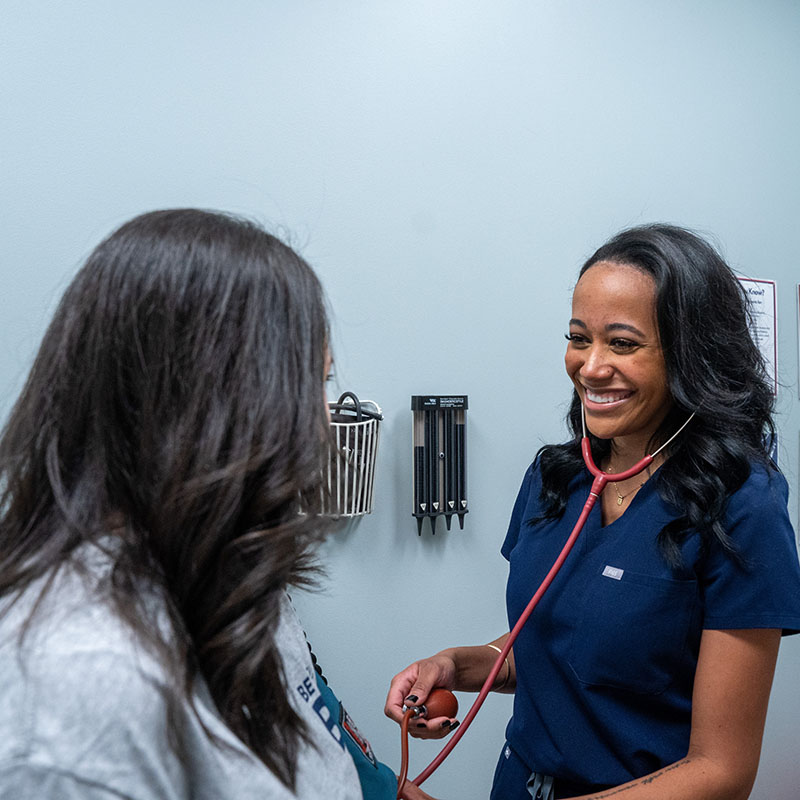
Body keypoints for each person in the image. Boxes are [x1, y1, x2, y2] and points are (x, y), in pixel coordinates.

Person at [0, 209, 430, 800]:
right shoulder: (81, 686)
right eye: (310, 388)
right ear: (213, 408)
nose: (323, 425)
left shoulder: (229, 572)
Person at [385, 224, 800, 799]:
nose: (591, 366)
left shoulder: (741, 505)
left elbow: (721, 772)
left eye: (623, 344)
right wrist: (458, 664)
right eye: (579, 338)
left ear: (691, 355)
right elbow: (566, 643)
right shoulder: (556, 476)